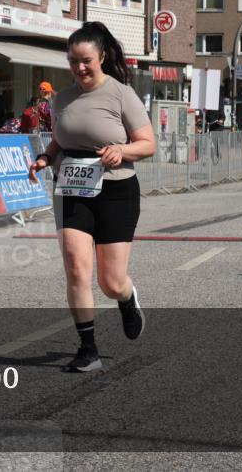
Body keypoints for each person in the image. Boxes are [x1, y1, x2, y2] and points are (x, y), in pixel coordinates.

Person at [28, 22, 156, 373]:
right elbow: (62, 140)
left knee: (110, 282)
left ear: (101, 56)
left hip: (116, 189)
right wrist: (46, 156)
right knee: (76, 268)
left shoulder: (121, 94)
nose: (79, 68)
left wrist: (122, 150)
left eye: (85, 60)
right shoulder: (62, 99)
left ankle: (127, 299)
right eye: (72, 61)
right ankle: (88, 349)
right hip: (72, 188)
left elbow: (148, 144)